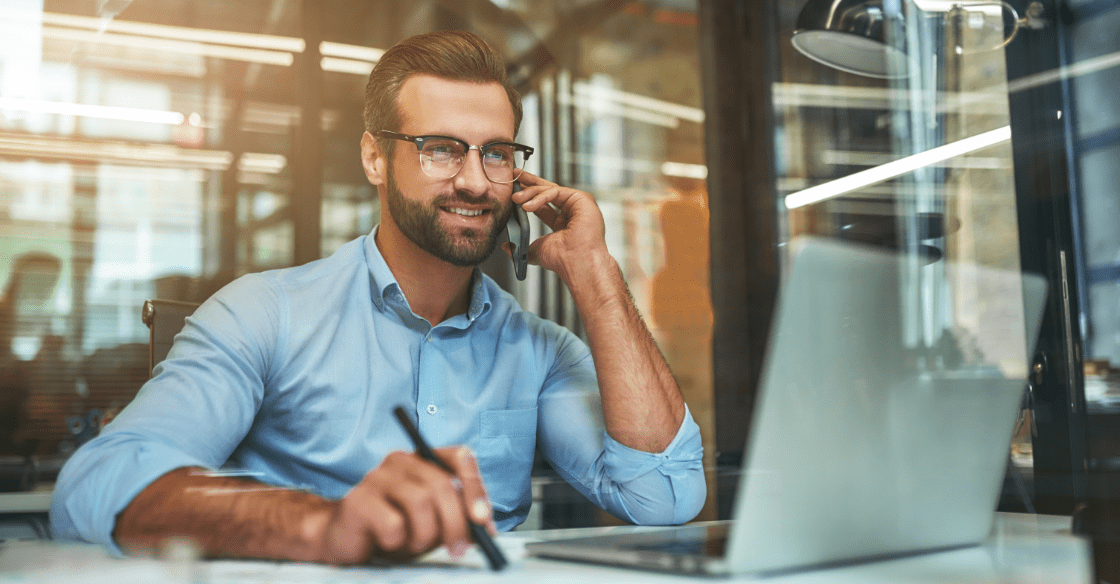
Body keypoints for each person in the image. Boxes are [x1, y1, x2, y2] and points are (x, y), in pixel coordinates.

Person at [50, 30, 705, 564]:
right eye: (441, 150)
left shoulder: (539, 351)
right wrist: (325, 526)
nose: (476, 182)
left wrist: (593, 269)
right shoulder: (264, 314)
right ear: (373, 159)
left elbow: (665, 497)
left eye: (497, 154)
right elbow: (93, 489)